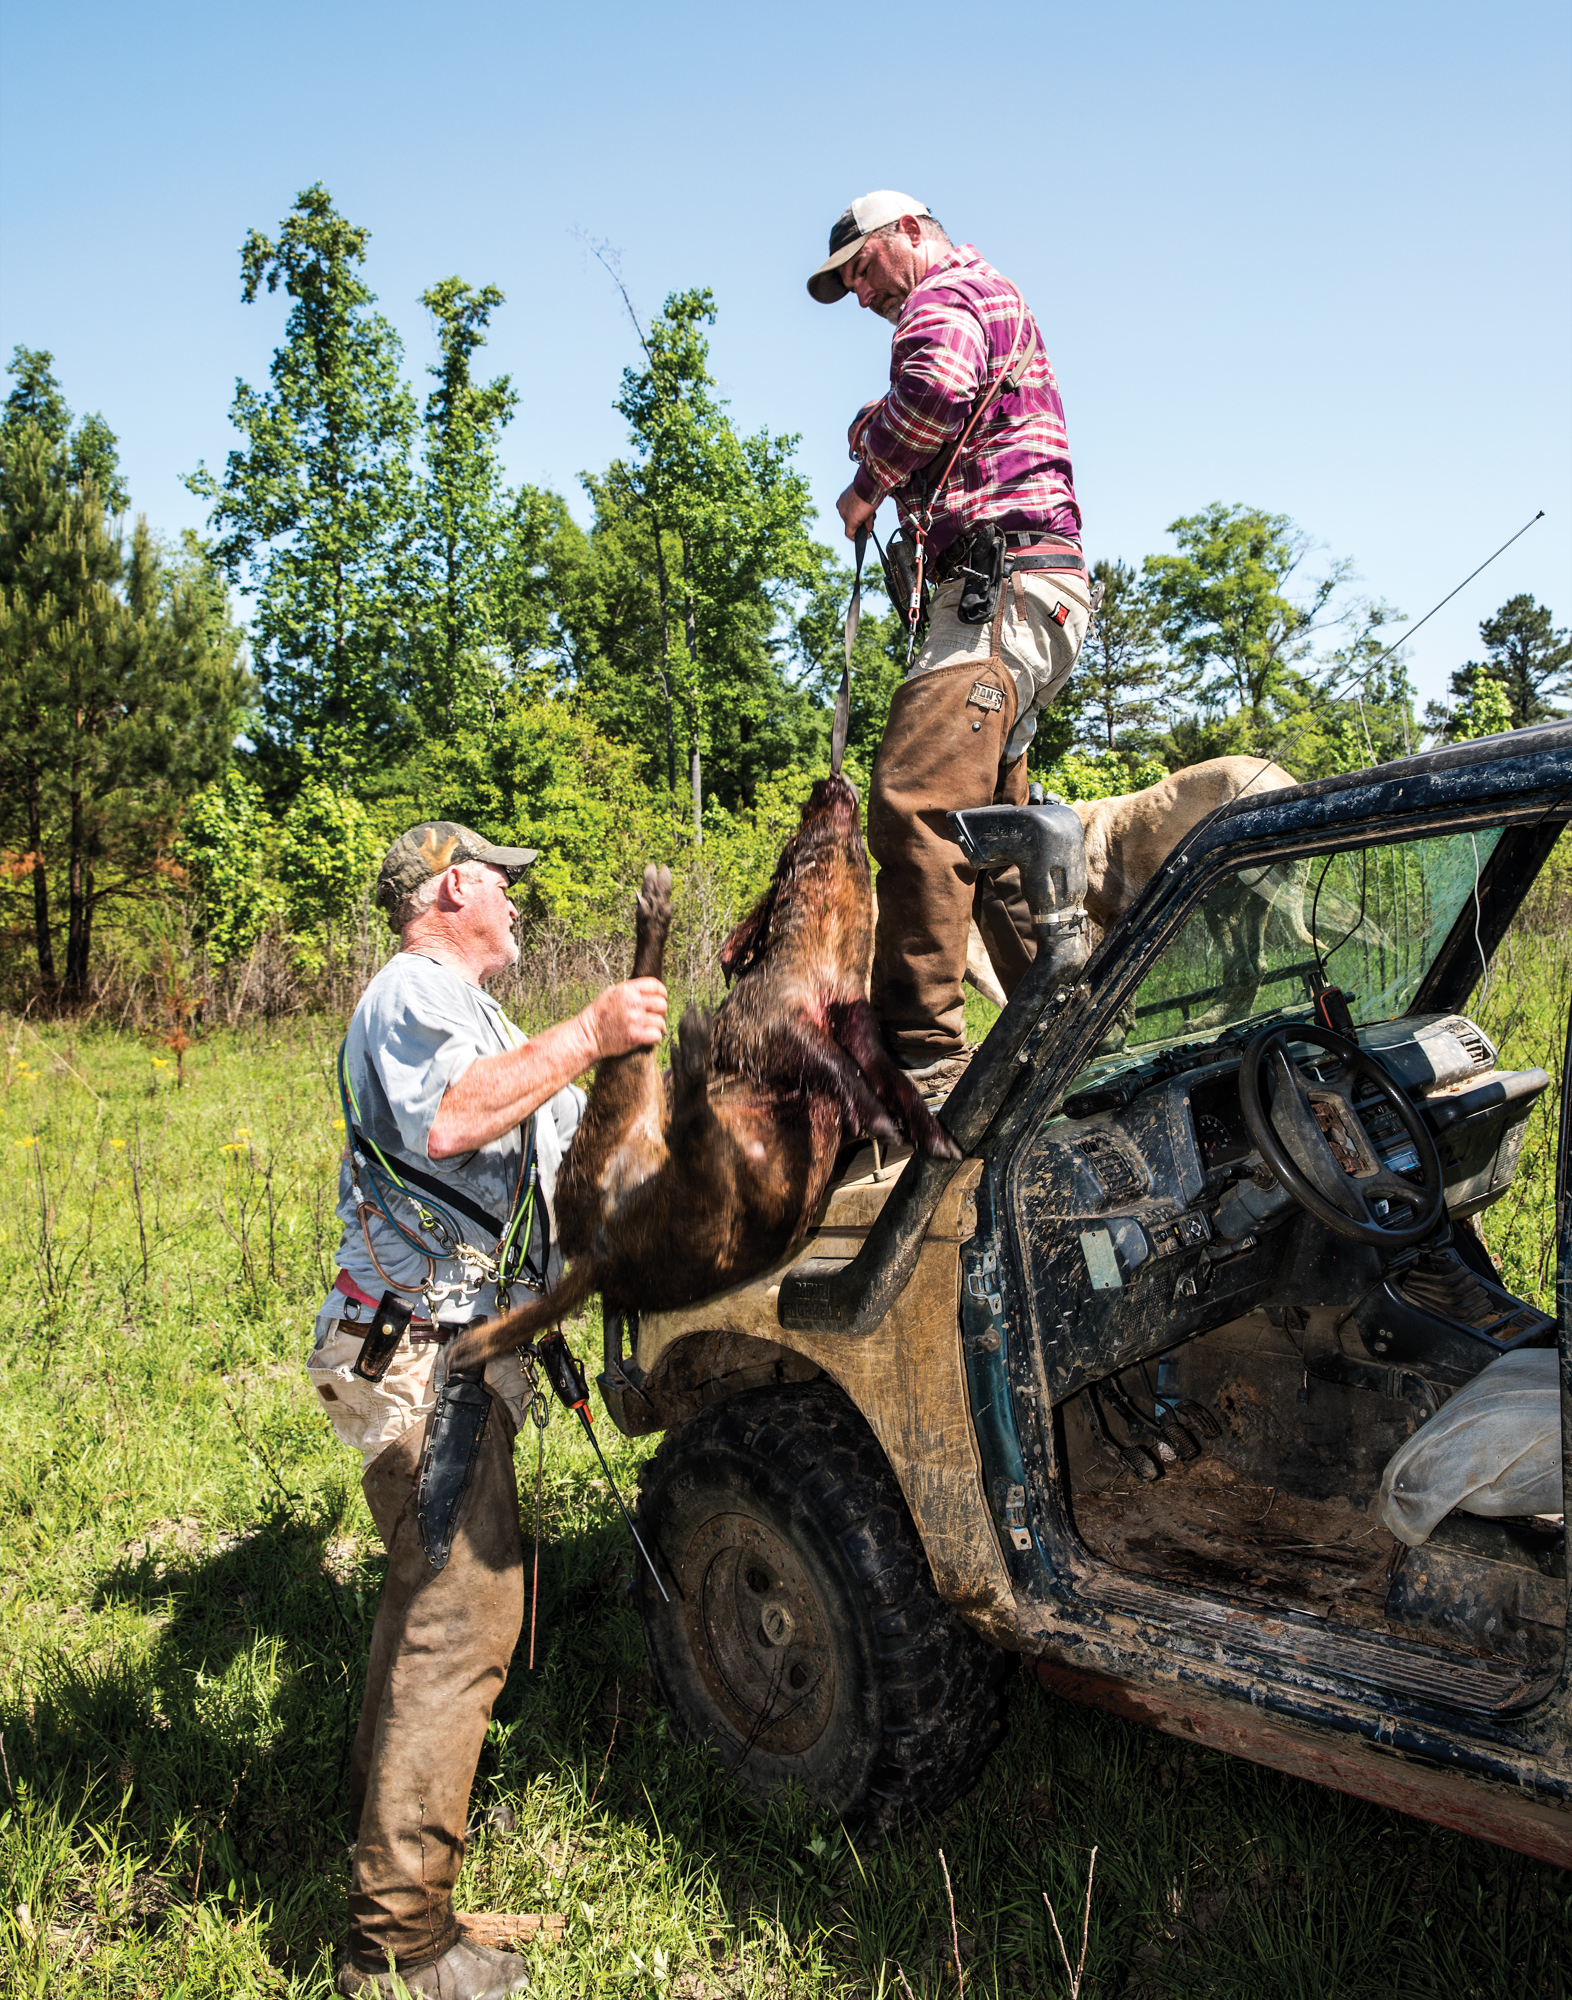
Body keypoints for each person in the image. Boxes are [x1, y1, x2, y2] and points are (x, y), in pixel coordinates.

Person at [307, 822, 667, 2000]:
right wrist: (592, 1029)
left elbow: (554, 1148)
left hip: (450, 1349)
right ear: (453, 884)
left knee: (426, 1608)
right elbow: (453, 1121)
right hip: (424, 1359)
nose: (517, 897)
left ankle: (391, 1875)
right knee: (460, 1626)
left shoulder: (476, 1013)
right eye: (502, 880)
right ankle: (398, 1944)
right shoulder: (412, 990)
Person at [808, 191, 1090, 1095]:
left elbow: (932, 390)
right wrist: (884, 431)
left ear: (910, 235)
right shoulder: (979, 297)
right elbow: (937, 403)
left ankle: (923, 1061)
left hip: (993, 593)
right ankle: (1065, 1042)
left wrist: (866, 482)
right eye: (848, 283)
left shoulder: (941, 295)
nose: (862, 296)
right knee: (995, 836)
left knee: (914, 802)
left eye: (862, 268)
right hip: (1032, 592)